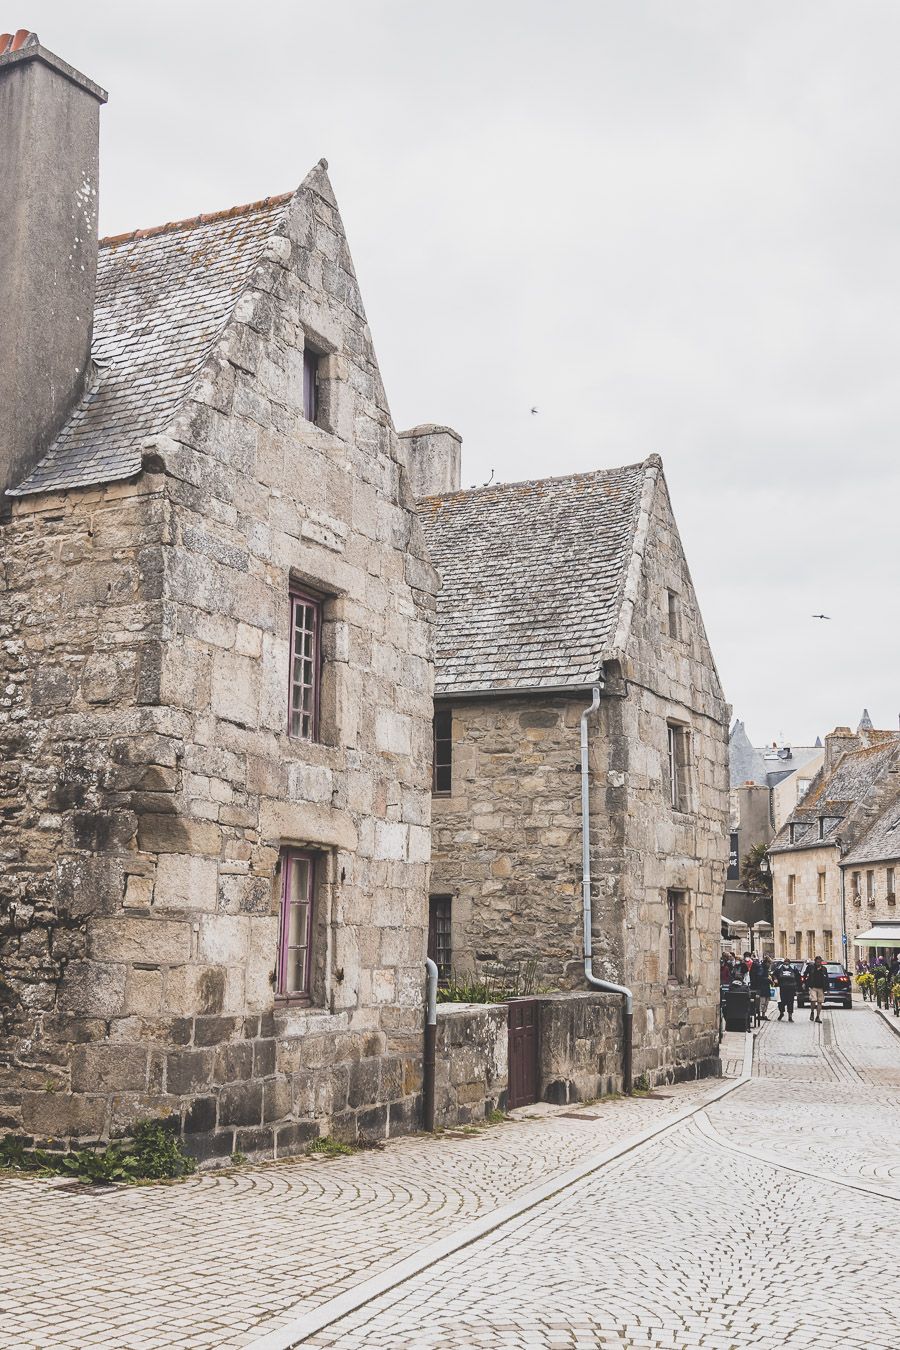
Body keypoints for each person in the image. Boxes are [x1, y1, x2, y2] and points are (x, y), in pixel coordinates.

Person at [806, 954, 829, 1023]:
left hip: (821, 988)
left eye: (820, 962)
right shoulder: (811, 967)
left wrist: (827, 989)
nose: (819, 963)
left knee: (820, 1002)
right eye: (817, 962)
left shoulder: (824, 969)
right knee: (813, 1000)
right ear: (815, 962)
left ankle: (818, 1016)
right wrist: (805, 983)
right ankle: (812, 1012)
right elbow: (805, 974)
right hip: (813, 987)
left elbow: (826, 979)